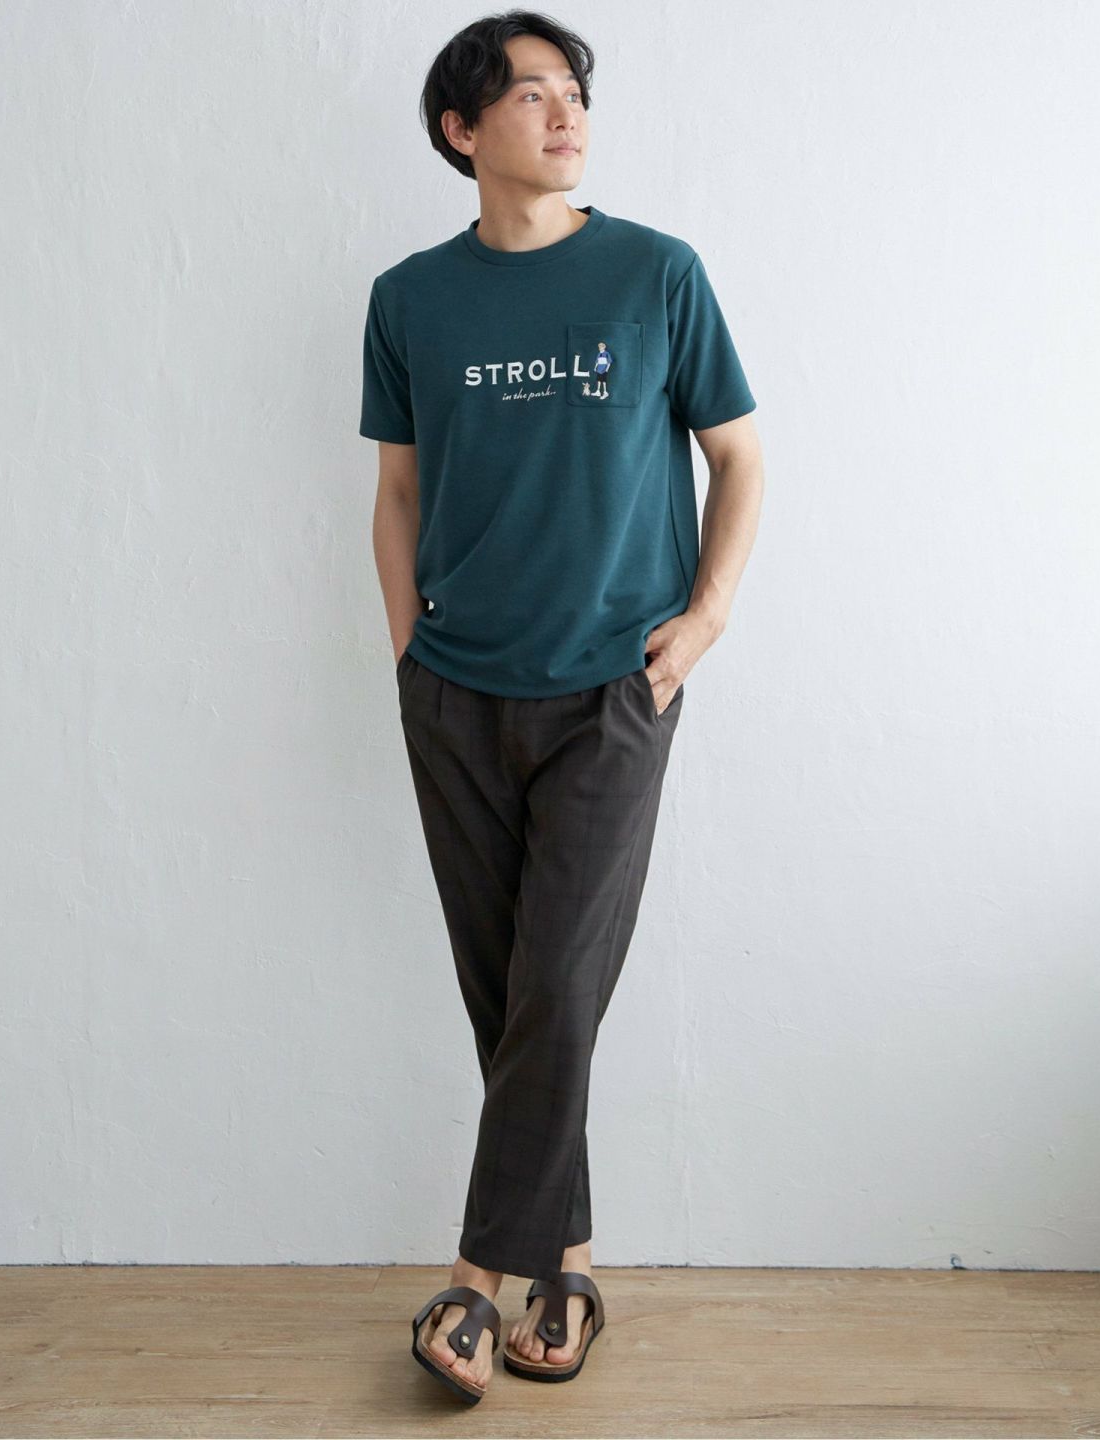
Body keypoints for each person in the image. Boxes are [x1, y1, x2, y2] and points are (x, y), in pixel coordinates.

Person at [360, 8, 765, 1405]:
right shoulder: (411, 298)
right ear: (462, 128)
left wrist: (704, 621)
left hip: (612, 688)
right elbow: (397, 490)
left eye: (574, 91)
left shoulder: (657, 273)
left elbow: (739, 458)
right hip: (455, 692)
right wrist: (408, 656)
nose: (567, 112)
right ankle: (570, 1271)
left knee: (556, 989)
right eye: (531, 93)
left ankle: (475, 1283)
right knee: (517, 999)